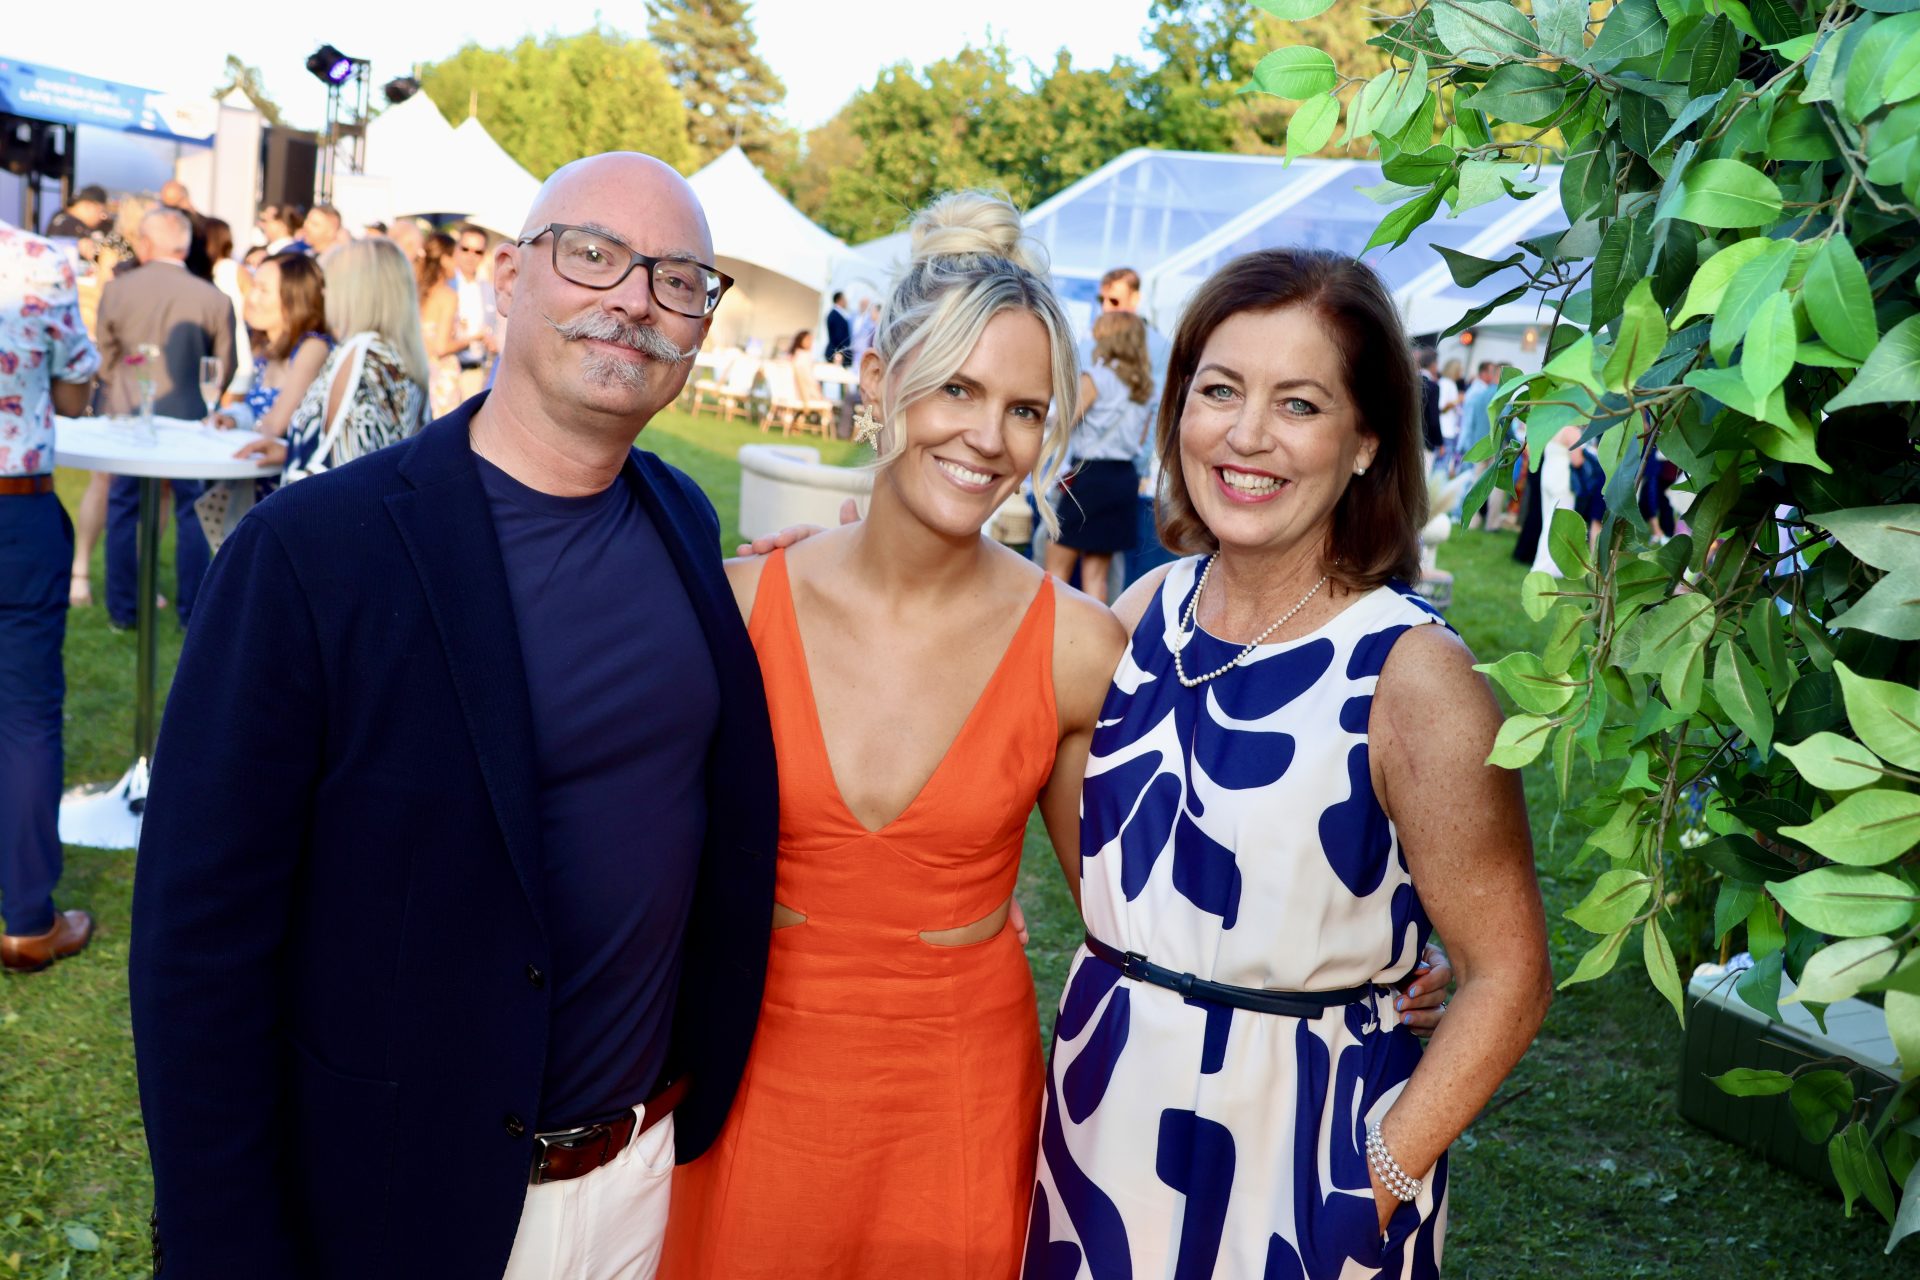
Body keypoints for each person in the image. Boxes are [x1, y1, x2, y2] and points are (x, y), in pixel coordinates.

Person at [131, 151, 775, 1278]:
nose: (635, 298)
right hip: (400, 1201)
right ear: (511, 278)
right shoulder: (313, 556)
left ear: (700, 324)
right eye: (595, 255)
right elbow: (199, 944)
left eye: (678, 279)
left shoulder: (680, 519)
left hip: (637, 1178)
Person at [1024, 249, 1551, 1278]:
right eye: (1220, 390)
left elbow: (1510, 973)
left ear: (1366, 441)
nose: (1247, 434)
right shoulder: (1144, 614)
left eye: (1299, 403)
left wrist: (1376, 1181)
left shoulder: (1414, 674)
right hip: (1101, 1130)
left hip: (1299, 1164)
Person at [659, 190, 1126, 1280]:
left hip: (956, 1106)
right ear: (877, 382)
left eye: (1024, 409)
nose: (988, 437)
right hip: (752, 1087)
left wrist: (1366, 957)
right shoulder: (735, 608)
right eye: (956, 387)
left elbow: (1135, 919)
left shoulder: (1076, 648)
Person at [0, 216, 101, 973]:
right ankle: (29, 922)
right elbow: (71, 396)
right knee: (26, 717)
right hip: (15, 509)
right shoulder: (36, 260)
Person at [96, 207, 235, 630]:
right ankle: (192, 611)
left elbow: (105, 356)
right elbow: (223, 367)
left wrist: (120, 386)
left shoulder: (118, 290)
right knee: (190, 510)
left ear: (146, 243)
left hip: (128, 413)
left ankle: (123, 609)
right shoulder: (213, 298)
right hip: (189, 416)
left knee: (124, 506)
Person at [235, 237, 430, 481]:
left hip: (324, 501)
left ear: (355, 292)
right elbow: (364, 454)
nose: (323, 294)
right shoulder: (395, 355)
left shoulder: (360, 354)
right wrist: (292, 454)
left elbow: (346, 470)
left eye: (330, 283)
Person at [1044, 310, 1152, 604]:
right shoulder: (1143, 388)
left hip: (1090, 477)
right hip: (1123, 479)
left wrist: (1042, 414)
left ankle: (1050, 630)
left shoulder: (1095, 378)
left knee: (1055, 571)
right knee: (1097, 579)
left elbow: (1065, 420)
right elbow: (1141, 439)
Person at [209, 252, 332, 446]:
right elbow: (255, 412)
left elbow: (275, 427)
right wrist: (232, 419)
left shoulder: (313, 347)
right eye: (253, 285)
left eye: (263, 290)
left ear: (295, 299)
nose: (252, 297)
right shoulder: (266, 348)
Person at [203, 216, 256, 402]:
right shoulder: (235, 269)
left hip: (218, 350)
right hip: (236, 348)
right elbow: (251, 310)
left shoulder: (206, 271)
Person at [418, 231, 467, 417]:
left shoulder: (416, 291)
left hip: (418, 372)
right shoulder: (448, 296)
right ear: (445, 260)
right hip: (440, 377)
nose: (457, 263)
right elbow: (441, 347)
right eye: (455, 257)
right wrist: (471, 339)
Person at [452, 224, 500, 397]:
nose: (470, 256)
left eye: (477, 252)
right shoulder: (445, 285)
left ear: (484, 255)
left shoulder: (489, 290)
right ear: (456, 249)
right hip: (447, 369)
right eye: (465, 249)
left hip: (476, 371)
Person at [1530, 423, 1581, 575]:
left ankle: (1553, 565)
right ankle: (1545, 566)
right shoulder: (1570, 431)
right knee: (1555, 525)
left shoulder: (1551, 426)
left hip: (1548, 474)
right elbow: (1577, 460)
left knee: (1548, 520)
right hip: (1562, 478)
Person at [1455, 360, 1502, 528]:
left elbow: (1472, 422)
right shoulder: (1502, 396)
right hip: (1496, 445)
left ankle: (1471, 519)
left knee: (1475, 483)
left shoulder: (1480, 394)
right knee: (1496, 486)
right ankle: (1492, 523)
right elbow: (1505, 421)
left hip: (1480, 445)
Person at [160, 179, 212, 280]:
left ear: (185, 200)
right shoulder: (164, 227)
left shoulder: (208, 228)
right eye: (165, 206)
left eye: (172, 207)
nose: (169, 212)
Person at [45, 183, 109, 246]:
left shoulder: (62, 218)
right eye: (100, 211)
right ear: (88, 205)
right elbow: (54, 246)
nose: (102, 217)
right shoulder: (67, 224)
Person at [1415, 345, 1443, 467]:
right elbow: (1433, 417)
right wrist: (1439, 442)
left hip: (1403, 437)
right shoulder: (1433, 387)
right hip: (1424, 440)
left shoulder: (1407, 380)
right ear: (1433, 364)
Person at [1437, 357, 1465, 471]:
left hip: (1447, 430)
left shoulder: (1447, 383)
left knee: (1442, 464)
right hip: (1445, 431)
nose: (1461, 373)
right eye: (1460, 370)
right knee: (1441, 466)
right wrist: (1458, 400)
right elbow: (1441, 407)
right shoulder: (1446, 384)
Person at [823, 290, 852, 365]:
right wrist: (840, 353)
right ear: (840, 300)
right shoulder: (835, 315)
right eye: (845, 299)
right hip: (837, 354)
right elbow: (838, 336)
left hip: (837, 353)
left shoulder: (837, 314)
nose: (846, 301)